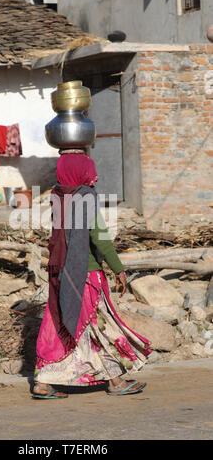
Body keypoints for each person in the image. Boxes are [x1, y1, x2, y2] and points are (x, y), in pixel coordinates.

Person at [32, 154, 151, 399]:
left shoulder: (58, 195)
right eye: (90, 172)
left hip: (60, 270)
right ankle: (116, 381)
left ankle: (43, 382)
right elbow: (99, 236)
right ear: (80, 173)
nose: (94, 178)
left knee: (58, 325)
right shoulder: (84, 195)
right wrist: (118, 268)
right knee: (98, 325)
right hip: (84, 273)